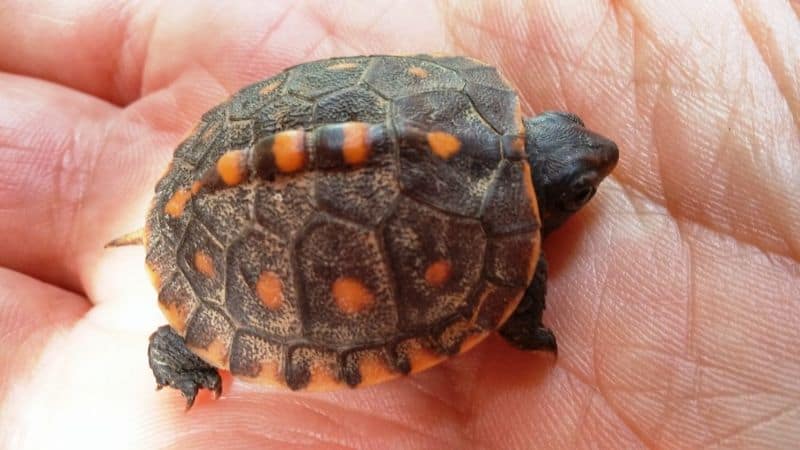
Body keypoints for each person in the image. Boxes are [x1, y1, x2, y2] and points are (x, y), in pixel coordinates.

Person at [0, 1, 797, 448]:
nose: (599, 158)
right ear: (554, 202)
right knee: (190, 333)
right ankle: (183, 340)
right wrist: (528, 318)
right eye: (583, 179)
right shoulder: (504, 249)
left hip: (224, 152)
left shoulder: (465, 97)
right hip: (223, 224)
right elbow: (515, 307)